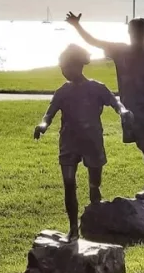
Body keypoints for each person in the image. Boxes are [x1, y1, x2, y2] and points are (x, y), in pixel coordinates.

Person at [65, 12, 144, 198]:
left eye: (141, 33)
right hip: (130, 109)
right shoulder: (120, 50)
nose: (138, 36)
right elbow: (94, 41)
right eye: (134, 33)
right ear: (130, 33)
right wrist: (77, 26)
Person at [34, 44, 133, 240]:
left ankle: (95, 208)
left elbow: (116, 103)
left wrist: (123, 111)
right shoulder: (62, 91)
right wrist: (43, 125)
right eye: (61, 68)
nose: (63, 72)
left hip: (92, 141)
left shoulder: (97, 88)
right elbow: (49, 114)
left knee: (94, 183)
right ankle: (73, 228)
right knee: (69, 184)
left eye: (65, 67)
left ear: (77, 65)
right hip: (69, 142)